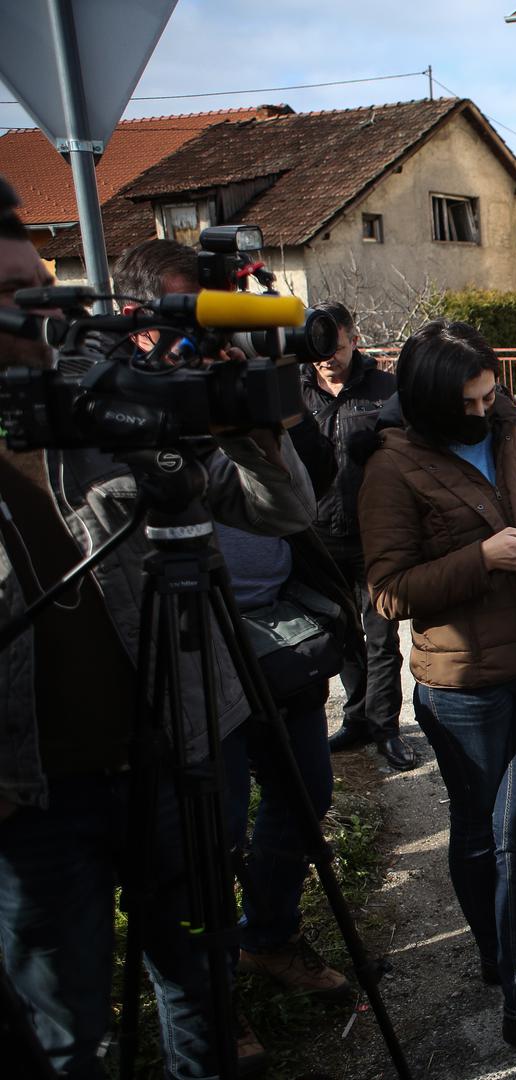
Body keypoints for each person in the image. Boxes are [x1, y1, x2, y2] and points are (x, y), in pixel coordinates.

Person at [0, 187, 317, 1078]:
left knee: (198, 976)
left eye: (37, 285)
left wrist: (251, 422)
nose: (33, 308)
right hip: (33, 798)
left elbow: (284, 509)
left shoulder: (115, 406)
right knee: (67, 1028)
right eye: (11, 293)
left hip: (180, 751)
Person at [110, 237, 359, 1056]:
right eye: (187, 315)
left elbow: (295, 502)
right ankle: (211, 995)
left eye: (217, 317)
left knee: (303, 798)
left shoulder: (234, 389)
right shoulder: (112, 409)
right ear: (136, 319)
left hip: (273, 635)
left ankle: (269, 936)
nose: (207, 336)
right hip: (186, 656)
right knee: (201, 839)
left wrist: (258, 414)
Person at [357, 319, 516, 1073]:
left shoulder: (512, 423)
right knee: (479, 833)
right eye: (472, 401)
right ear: (429, 402)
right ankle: (500, 956)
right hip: (463, 685)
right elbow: (389, 591)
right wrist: (483, 556)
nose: (487, 409)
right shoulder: (391, 468)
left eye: (492, 393)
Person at [301, 301, 415, 770]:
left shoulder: (386, 390)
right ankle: (356, 720)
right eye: (318, 347)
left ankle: (385, 726)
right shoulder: (294, 393)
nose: (327, 356)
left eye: (336, 343)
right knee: (343, 634)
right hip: (319, 535)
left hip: (374, 535)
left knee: (381, 634)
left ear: (353, 336)